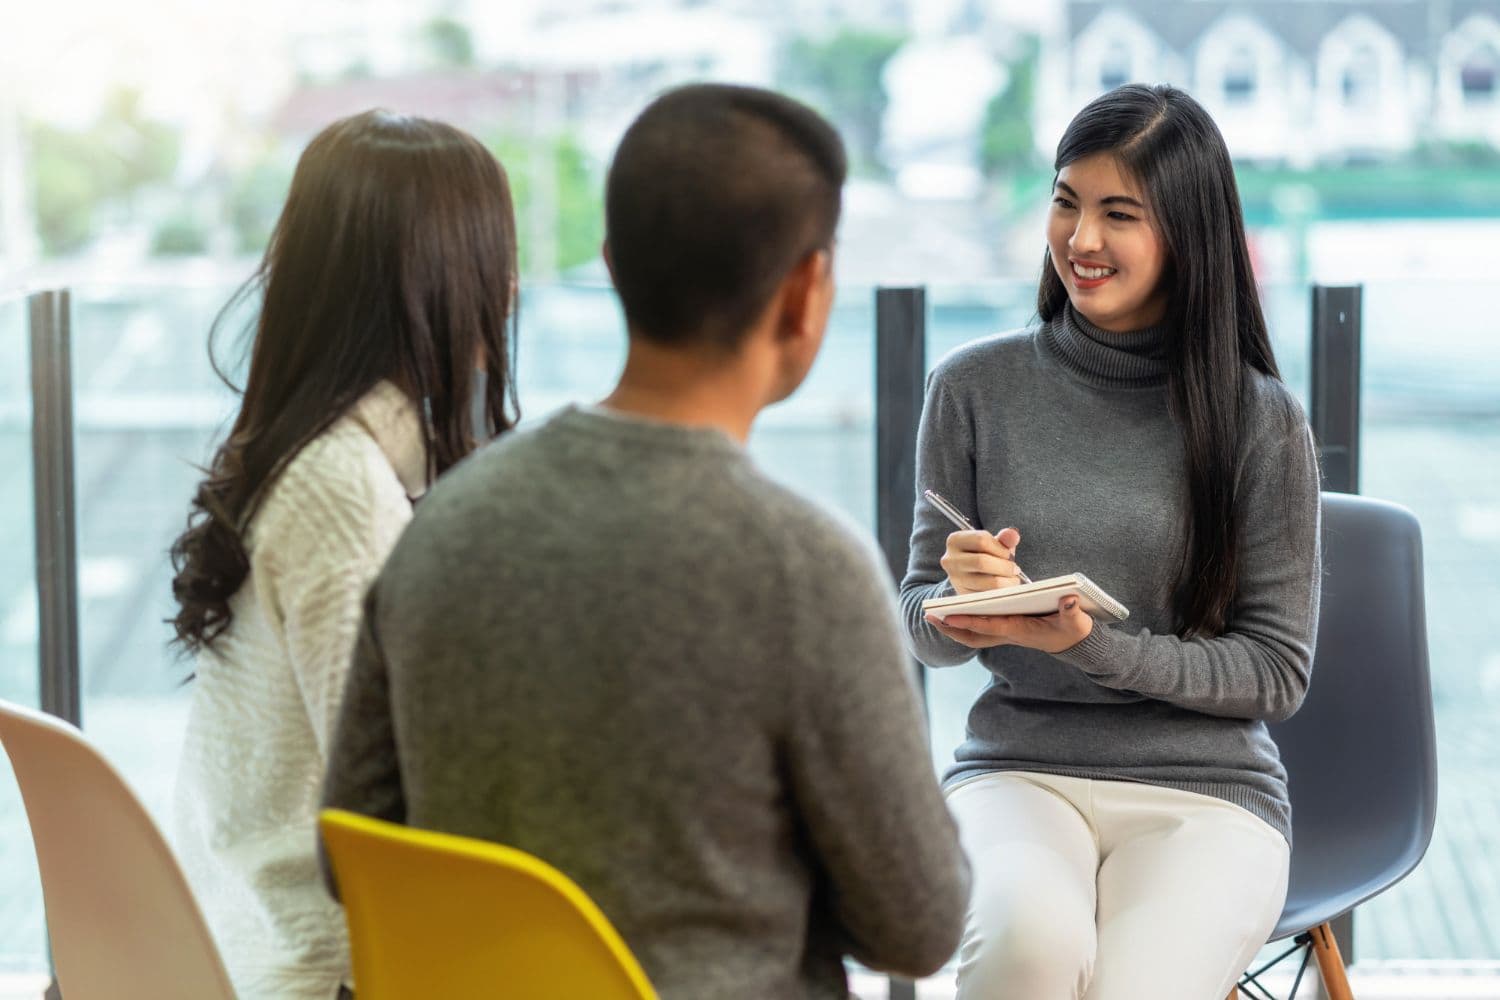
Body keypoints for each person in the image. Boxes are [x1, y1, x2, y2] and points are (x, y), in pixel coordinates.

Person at [320, 83, 970, 999]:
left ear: (614, 267)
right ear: (805, 293)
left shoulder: (443, 523)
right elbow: (920, 925)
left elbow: (347, 854)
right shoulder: (802, 566)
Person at [900, 83, 1321, 1000]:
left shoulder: (1260, 419)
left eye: (1118, 215)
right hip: (1016, 773)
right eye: (1066, 202)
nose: (1081, 240)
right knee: (1024, 953)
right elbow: (921, 629)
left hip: (1208, 793)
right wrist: (956, 604)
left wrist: (1092, 646)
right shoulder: (972, 387)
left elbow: (1275, 674)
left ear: (1188, 234)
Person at [168, 110, 520, 1000]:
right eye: (495, 253)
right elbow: (391, 816)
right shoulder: (340, 490)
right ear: (438, 276)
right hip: (320, 971)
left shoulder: (303, 453)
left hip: (244, 940)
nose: (510, 285)